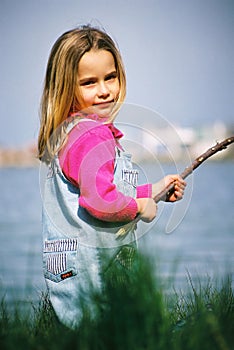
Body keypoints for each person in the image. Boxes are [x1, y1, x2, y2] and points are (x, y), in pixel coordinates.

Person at [38, 25, 186, 328]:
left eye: (111, 77)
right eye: (89, 82)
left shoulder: (69, 131)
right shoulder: (93, 136)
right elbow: (98, 202)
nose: (104, 90)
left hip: (67, 260)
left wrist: (150, 191)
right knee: (109, 328)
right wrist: (140, 208)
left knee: (81, 328)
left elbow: (105, 188)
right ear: (66, 86)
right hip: (95, 264)